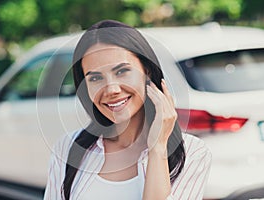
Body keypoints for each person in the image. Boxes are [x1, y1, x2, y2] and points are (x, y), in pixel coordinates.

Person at [44, 20, 211, 200]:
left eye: (121, 71)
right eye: (95, 79)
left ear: (146, 71)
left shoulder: (192, 154)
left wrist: (158, 149)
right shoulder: (68, 148)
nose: (111, 89)